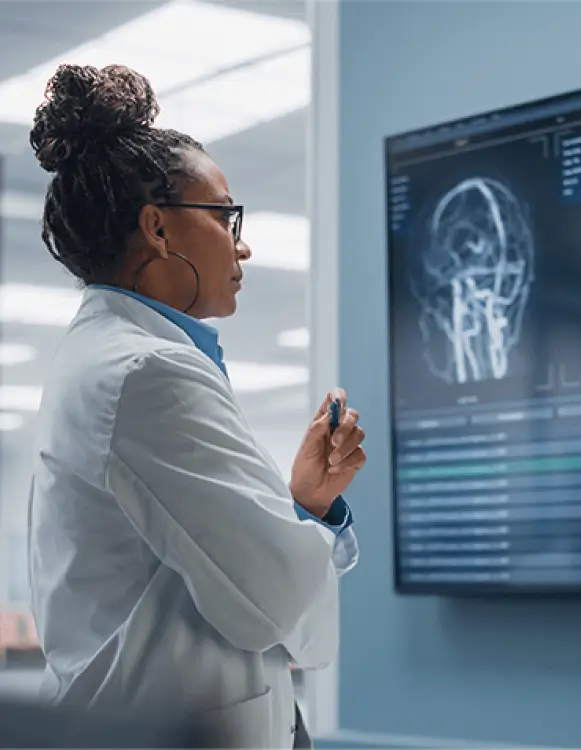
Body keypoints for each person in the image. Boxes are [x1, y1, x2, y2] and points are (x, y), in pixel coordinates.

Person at [26, 63, 366, 749]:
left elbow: (212, 566)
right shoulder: (147, 371)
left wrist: (305, 504)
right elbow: (274, 602)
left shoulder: (108, 357)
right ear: (157, 228)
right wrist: (306, 526)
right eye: (225, 215)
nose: (242, 244)